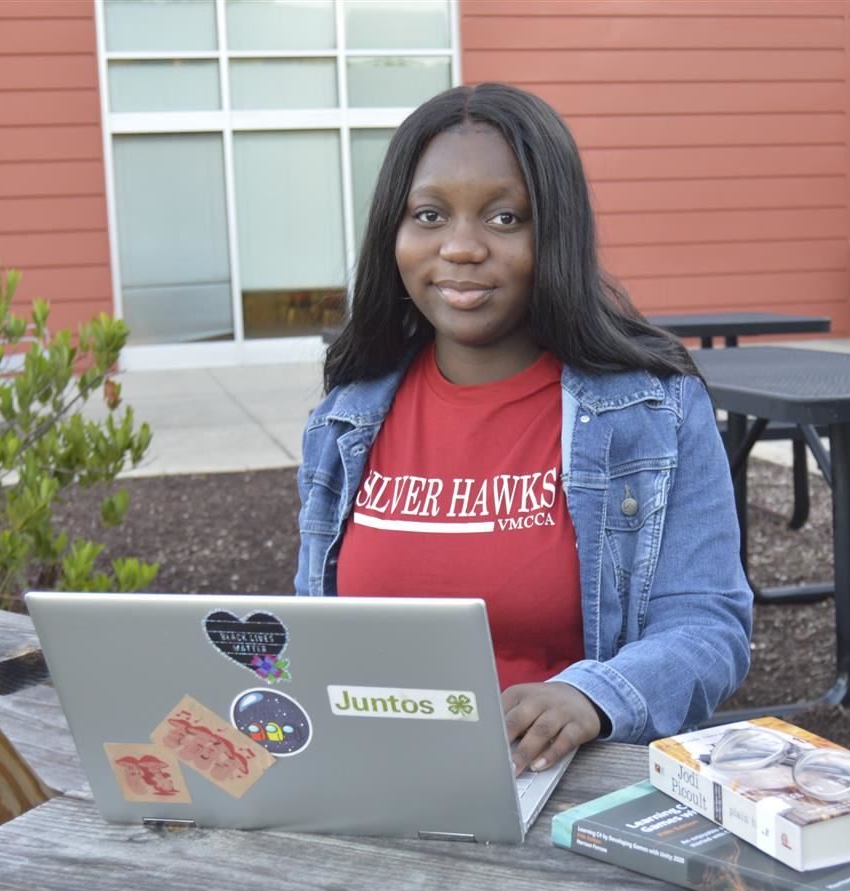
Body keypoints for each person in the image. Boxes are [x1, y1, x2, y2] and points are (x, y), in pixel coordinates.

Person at [295, 83, 751, 775]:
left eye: (506, 218)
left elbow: (708, 626)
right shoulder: (345, 420)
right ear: (395, 231)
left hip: (562, 788)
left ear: (555, 231)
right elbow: (310, 633)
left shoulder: (654, 413)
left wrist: (589, 694)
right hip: (373, 786)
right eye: (428, 214)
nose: (461, 247)